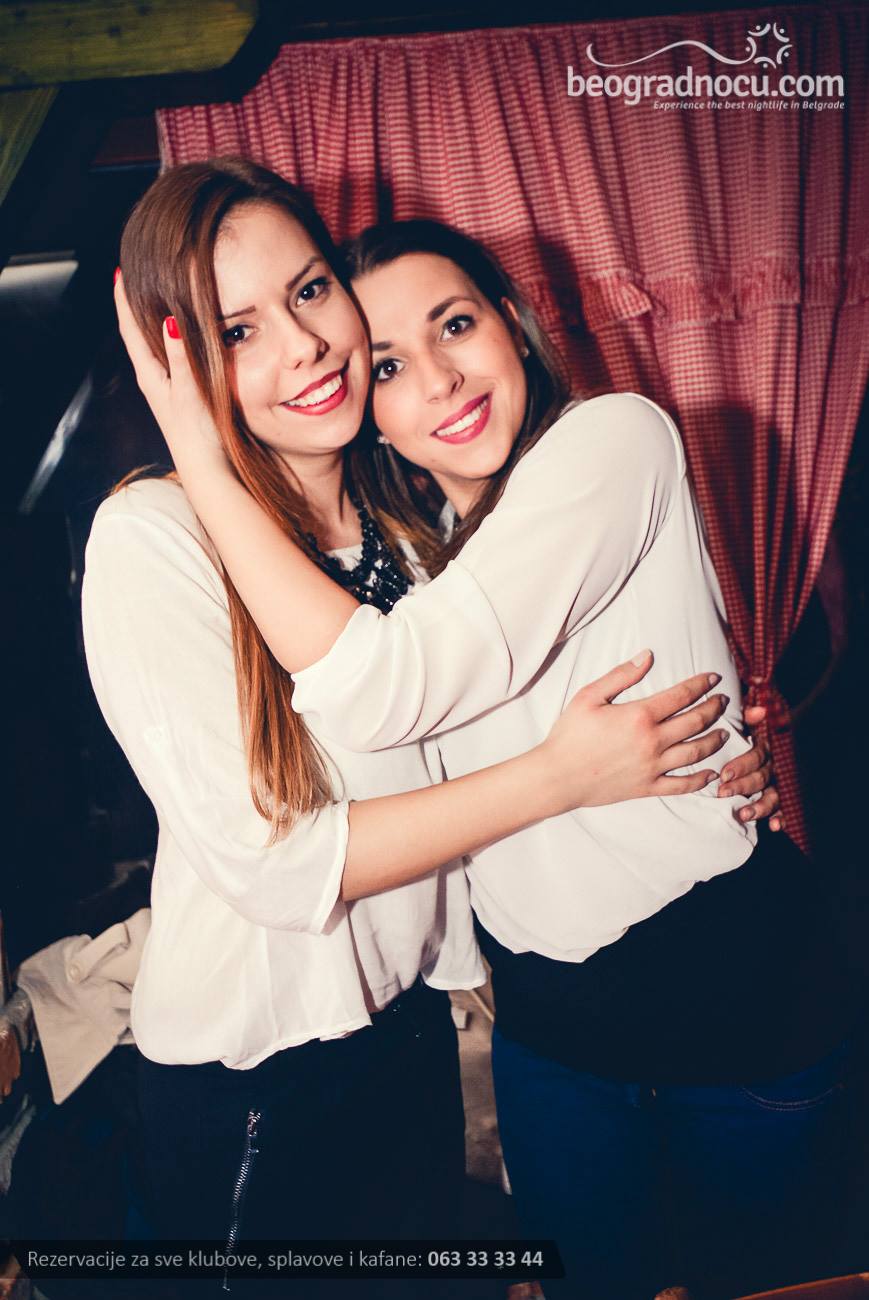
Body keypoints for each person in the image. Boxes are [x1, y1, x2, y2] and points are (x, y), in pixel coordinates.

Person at [112, 169, 792, 1299]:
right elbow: (282, 864)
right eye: (237, 329)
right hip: (255, 1076)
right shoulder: (157, 533)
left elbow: (472, 700)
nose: (305, 345)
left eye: (309, 291)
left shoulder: (410, 529)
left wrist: (718, 734)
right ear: (184, 363)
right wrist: (563, 776)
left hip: (421, 1039)